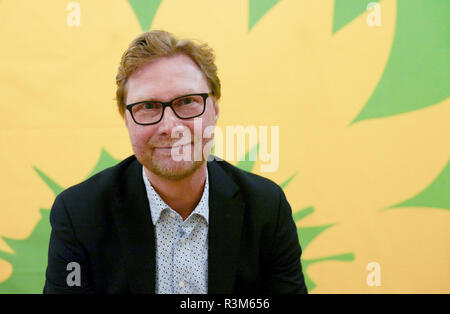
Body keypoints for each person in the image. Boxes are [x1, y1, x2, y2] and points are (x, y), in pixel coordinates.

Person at [43, 30, 307, 294]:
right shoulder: (78, 214)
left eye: (187, 102)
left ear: (214, 110)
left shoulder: (267, 207)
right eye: (148, 106)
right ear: (126, 119)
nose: (170, 127)